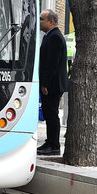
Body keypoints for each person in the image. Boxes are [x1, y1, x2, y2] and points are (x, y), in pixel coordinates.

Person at [38, 9, 68, 156]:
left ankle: (54, 145)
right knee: (48, 113)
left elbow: (52, 64)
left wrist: (45, 84)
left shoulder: (55, 37)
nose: (40, 22)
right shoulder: (49, 36)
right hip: (51, 83)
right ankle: (50, 141)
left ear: (51, 22)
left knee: (51, 113)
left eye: (42, 19)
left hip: (52, 85)